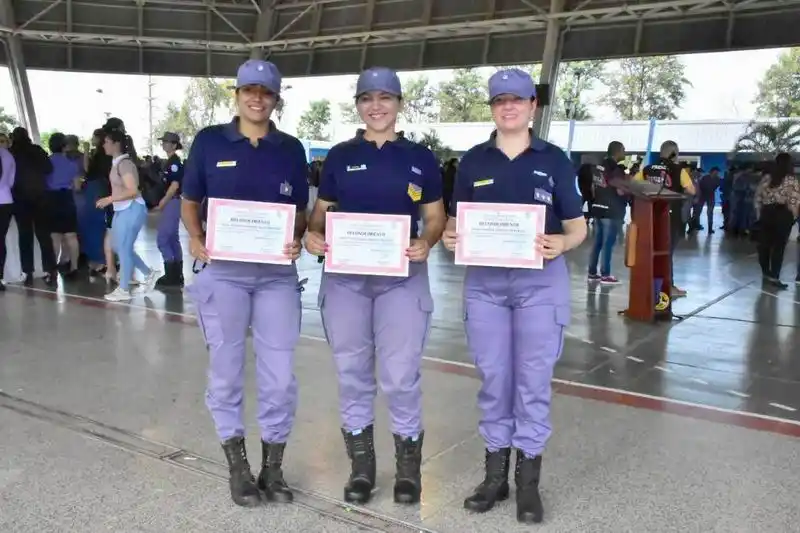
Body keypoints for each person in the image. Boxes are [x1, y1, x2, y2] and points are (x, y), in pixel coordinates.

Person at [441, 68, 587, 524]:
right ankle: (494, 477)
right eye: (500, 100)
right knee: (494, 378)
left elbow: (577, 225)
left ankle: (528, 483)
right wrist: (450, 237)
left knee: (532, 381)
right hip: (485, 285)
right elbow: (453, 221)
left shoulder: (556, 160)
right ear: (493, 107)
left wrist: (562, 243)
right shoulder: (472, 162)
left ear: (532, 107)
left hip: (539, 284)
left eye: (517, 100)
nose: (509, 106)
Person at [304, 67, 446, 506]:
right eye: (367, 98)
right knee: (352, 374)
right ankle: (362, 468)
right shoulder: (341, 157)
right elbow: (321, 214)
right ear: (358, 105)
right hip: (347, 279)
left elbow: (436, 215)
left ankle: (408, 471)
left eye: (385, 97)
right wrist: (312, 234)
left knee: (401, 376)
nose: (376, 106)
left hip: (401, 279)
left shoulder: (421, 158)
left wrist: (428, 241)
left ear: (399, 103)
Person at [181, 59, 309, 508]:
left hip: (276, 276)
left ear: (276, 99)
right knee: (226, 370)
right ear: (235, 95)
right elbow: (190, 200)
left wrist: (295, 240)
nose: (257, 98)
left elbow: (299, 214)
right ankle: (238, 467)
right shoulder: (210, 141)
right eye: (249, 90)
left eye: (267, 92)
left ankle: (272, 468)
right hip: (225, 274)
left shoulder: (292, 149)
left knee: (279, 377)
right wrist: (196, 239)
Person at [95, 129, 159, 301]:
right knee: (118, 246)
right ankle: (149, 273)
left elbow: (132, 190)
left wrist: (109, 199)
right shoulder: (117, 163)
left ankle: (123, 289)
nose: (103, 145)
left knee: (123, 248)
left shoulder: (125, 164)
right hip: (121, 209)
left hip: (132, 209)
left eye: (107, 141)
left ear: (116, 144)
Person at [632, 141, 695, 297]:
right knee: (666, 254)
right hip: (670, 218)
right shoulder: (679, 170)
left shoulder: (647, 170)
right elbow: (691, 190)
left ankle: (651, 285)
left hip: (649, 217)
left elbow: (633, 185)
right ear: (674, 153)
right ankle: (668, 287)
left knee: (652, 252)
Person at [754, 152, 799, 289]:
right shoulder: (792, 180)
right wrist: (793, 217)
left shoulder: (767, 178)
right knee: (779, 248)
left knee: (764, 246)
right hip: (783, 214)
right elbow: (795, 201)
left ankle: (765, 273)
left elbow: (757, 198)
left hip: (766, 213)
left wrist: (759, 214)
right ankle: (774, 277)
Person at [587, 141, 627, 284]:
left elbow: (593, 187)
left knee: (597, 242)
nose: (624, 152)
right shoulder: (616, 169)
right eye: (623, 150)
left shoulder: (598, 167)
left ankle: (592, 272)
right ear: (617, 152)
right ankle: (605, 274)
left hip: (597, 207)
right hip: (611, 211)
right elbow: (620, 190)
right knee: (608, 244)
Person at [153, 131, 185, 288]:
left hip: (171, 202)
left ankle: (171, 274)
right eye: (163, 141)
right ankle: (177, 274)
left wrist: (163, 202)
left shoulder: (174, 163)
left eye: (167, 142)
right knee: (173, 238)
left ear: (174, 145)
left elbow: (174, 185)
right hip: (173, 202)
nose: (164, 144)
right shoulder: (169, 161)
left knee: (163, 239)